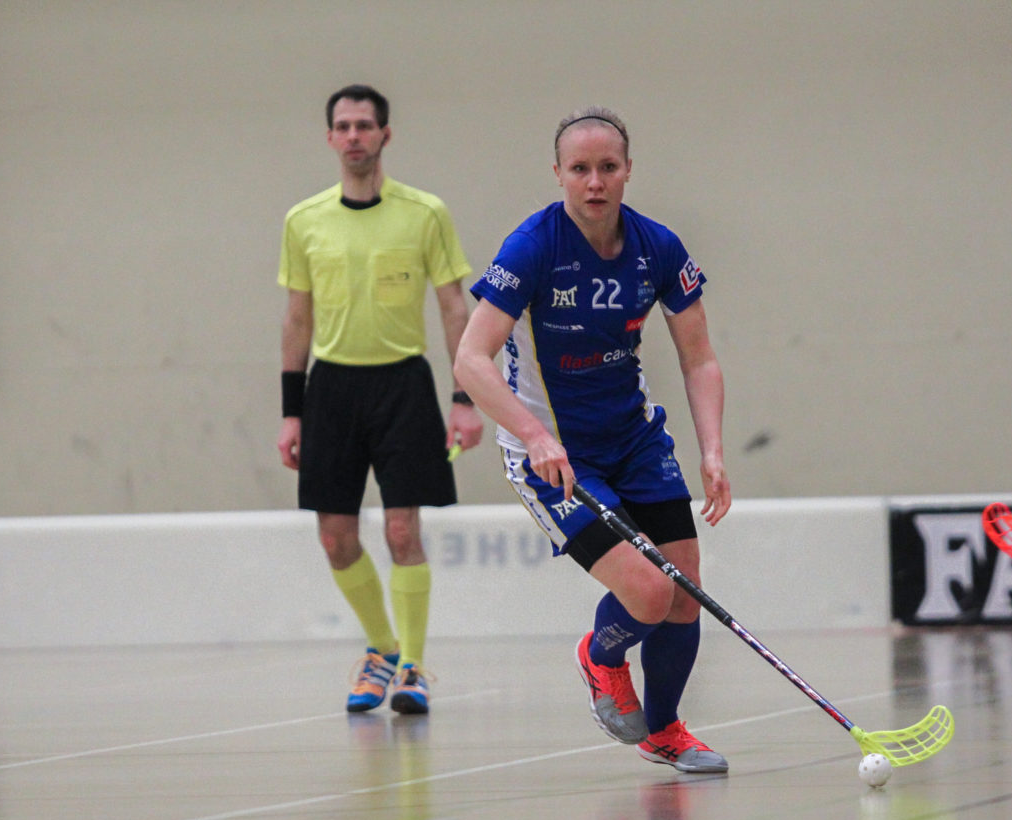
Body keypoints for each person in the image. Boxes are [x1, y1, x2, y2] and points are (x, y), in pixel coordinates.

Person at [453, 107, 732, 772]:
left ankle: (665, 730)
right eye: (580, 169)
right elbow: (470, 359)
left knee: (684, 589)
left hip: (634, 440)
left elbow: (699, 358)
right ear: (558, 174)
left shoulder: (658, 247)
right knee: (649, 591)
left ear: (628, 170)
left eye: (608, 167)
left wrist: (713, 450)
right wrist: (533, 435)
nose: (595, 181)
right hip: (553, 456)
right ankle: (600, 655)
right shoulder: (532, 247)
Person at [277, 84, 482, 715]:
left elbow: (454, 307)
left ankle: (413, 669)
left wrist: (465, 397)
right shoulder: (304, 221)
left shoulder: (424, 214)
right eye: (343, 126)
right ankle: (382, 648)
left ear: (385, 135)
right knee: (336, 538)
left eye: (365, 125)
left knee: (401, 529)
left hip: (403, 387)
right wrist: (291, 411)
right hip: (331, 390)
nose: (354, 136)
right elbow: (297, 318)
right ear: (330, 138)